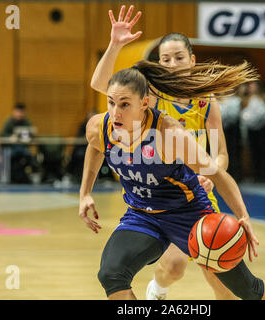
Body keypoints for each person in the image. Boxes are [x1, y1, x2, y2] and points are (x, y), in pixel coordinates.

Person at [80, 61, 265, 300]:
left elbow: (217, 174)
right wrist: (85, 193)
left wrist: (243, 216)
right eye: (111, 103)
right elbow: (96, 147)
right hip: (142, 214)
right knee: (111, 274)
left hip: (188, 214)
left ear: (144, 103)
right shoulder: (99, 127)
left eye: (125, 104)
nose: (115, 112)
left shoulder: (169, 134)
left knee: (248, 290)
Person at [90, 5, 237, 300]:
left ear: (192, 60)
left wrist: (209, 173)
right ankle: (157, 291)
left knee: (221, 278)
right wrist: (116, 44)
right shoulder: (152, 94)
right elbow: (102, 85)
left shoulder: (206, 102)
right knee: (173, 265)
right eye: (165, 59)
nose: (171, 64)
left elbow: (220, 154)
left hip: (198, 194)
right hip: (161, 193)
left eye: (178, 57)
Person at [240, 81, 265, 182]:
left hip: (262, 129)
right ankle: (255, 175)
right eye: (250, 87)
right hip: (251, 130)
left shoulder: (264, 98)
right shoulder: (245, 100)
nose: (252, 89)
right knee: (253, 152)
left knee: (263, 151)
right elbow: (243, 115)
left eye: (254, 87)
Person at [0, 103, 36, 184]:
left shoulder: (26, 122)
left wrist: (30, 137)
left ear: (24, 113)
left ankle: (23, 176)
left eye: (21, 112)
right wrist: (11, 137)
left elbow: (32, 135)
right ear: (14, 112)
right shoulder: (9, 122)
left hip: (23, 147)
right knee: (14, 157)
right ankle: (16, 176)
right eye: (17, 112)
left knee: (30, 157)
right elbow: (2, 134)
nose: (19, 114)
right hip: (11, 147)